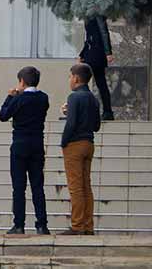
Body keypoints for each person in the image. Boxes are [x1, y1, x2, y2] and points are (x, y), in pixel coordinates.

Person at [0, 66, 50, 235]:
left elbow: (3, 116)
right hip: (37, 144)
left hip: (20, 144)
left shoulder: (18, 99)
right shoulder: (44, 98)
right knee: (37, 186)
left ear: (21, 81)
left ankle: (19, 224)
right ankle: (42, 225)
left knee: (19, 188)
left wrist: (10, 97)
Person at [60, 63, 101, 235]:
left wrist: (64, 142)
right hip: (89, 143)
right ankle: (88, 225)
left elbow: (71, 124)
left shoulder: (74, 97)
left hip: (75, 144)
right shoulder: (93, 98)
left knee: (75, 187)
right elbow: (96, 126)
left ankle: (77, 226)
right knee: (86, 186)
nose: (70, 80)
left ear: (76, 78)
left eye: (70, 76)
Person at [80, 15, 115, 120]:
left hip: (96, 53)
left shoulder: (97, 13)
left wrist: (108, 52)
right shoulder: (88, 14)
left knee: (97, 82)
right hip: (90, 52)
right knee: (97, 82)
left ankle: (106, 111)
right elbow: (88, 38)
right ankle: (106, 111)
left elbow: (104, 32)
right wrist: (82, 54)